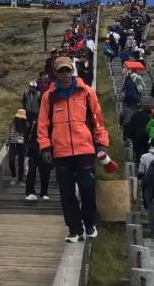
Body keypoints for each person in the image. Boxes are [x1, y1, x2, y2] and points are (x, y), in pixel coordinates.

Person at [37, 56, 110, 243]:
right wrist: (45, 147)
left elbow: (98, 120)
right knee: (67, 193)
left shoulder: (86, 92)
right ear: (55, 73)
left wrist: (102, 143)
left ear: (72, 70)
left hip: (85, 149)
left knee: (87, 188)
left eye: (67, 70)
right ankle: (74, 229)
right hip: (61, 152)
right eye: (60, 71)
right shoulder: (48, 97)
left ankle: (89, 224)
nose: (64, 74)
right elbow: (43, 125)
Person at [24, 112, 51, 201]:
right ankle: (30, 192)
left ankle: (44, 192)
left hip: (46, 151)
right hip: (34, 151)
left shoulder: (52, 124)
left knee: (45, 173)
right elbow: (31, 138)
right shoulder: (37, 124)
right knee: (31, 171)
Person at [7, 109, 28, 185]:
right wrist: (7, 141)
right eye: (19, 117)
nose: (19, 118)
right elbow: (9, 132)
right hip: (13, 144)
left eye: (21, 117)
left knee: (21, 162)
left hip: (22, 145)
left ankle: (20, 179)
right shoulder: (12, 124)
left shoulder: (26, 124)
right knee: (11, 161)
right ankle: (14, 177)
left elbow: (27, 135)